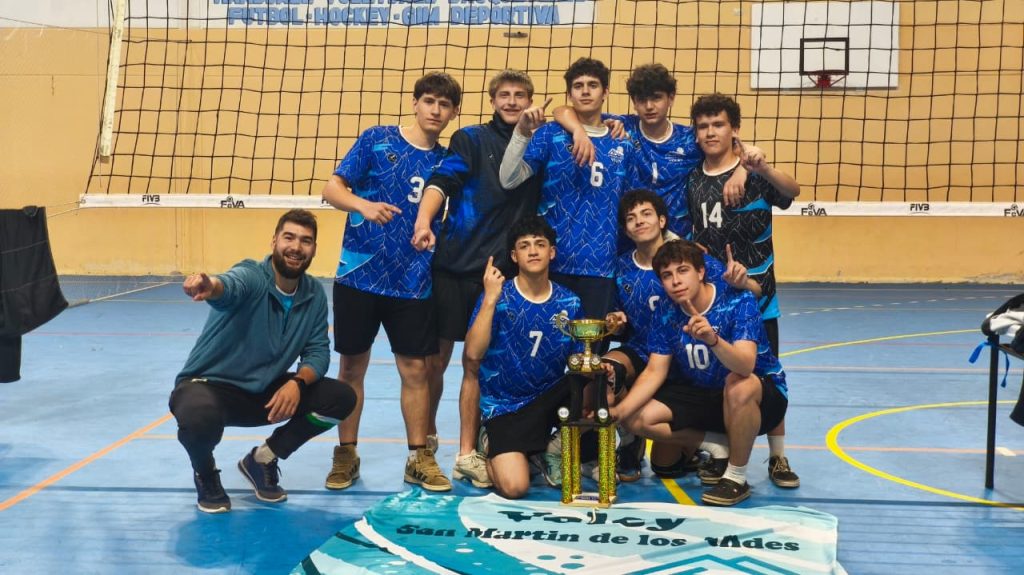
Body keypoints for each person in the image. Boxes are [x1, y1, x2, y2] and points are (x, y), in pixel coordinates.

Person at [320, 72, 461, 492]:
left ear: (454, 113)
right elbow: (332, 189)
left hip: (413, 280)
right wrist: (362, 205)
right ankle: (346, 454)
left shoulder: (447, 160)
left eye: (444, 105)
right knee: (351, 368)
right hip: (359, 275)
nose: (435, 110)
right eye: (429, 101)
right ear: (415, 103)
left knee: (416, 369)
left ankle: (419, 457)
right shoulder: (377, 139)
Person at [169, 209, 356, 514]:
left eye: (305, 241)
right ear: (274, 242)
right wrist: (211, 286)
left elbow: (318, 352)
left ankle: (263, 458)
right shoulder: (253, 276)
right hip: (209, 388)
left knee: (341, 397)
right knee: (197, 418)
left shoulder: (313, 295)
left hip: (264, 395)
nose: (296, 247)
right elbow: (229, 286)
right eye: (289, 237)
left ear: (314, 250)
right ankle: (205, 473)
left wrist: (297, 383)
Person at [410, 70, 543, 489]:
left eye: (519, 95)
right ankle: (425, 445)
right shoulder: (469, 138)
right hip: (456, 266)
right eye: (504, 95)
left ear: (530, 101)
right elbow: (441, 182)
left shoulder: (540, 141)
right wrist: (423, 220)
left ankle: (475, 448)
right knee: (436, 362)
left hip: (503, 273)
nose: (512, 101)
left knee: (485, 363)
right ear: (492, 101)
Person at [610, 240, 789, 506]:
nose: (676, 281)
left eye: (683, 271)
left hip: (761, 398)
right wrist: (618, 414)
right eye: (667, 275)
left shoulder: (737, 300)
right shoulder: (666, 311)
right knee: (636, 418)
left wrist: (713, 340)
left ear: (701, 272)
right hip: (704, 393)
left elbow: (745, 366)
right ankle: (718, 446)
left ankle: (736, 478)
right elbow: (655, 371)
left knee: (739, 384)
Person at [686, 93, 802, 488]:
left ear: (734, 129)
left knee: (768, 376)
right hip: (718, 302)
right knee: (725, 379)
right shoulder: (693, 178)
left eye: (718, 124)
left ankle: (779, 457)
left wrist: (759, 167)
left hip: (758, 297)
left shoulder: (753, 170)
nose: (710, 132)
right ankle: (724, 454)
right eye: (703, 126)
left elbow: (792, 191)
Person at [603, 189, 753, 482]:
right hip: (645, 351)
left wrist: (744, 282)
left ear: (662, 221)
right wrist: (615, 320)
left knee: (665, 467)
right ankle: (629, 443)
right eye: (631, 218)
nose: (639, 221)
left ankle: (710, 440)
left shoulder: (687, 256)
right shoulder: (621, 267)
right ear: (625, 230)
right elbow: (617, 314)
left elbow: (741, 292)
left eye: (646, 214)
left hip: (686, 356)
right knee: (606, 372)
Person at [499, 57, 639, 323]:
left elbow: (631, 206)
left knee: (590, 347)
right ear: (569, 94)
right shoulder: (550, 134)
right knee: (550, 343)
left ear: (605, 92)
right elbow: (509, 180)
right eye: (578, 86)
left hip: (600, 266)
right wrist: (521, 132)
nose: (585, 91)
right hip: (551, 262)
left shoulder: (623, 142)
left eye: (593, 85)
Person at [552, 63, 748, 240]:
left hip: (676, 242)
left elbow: (737, 148)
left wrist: (742, 170)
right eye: (642, 99)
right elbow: (561, 111)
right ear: (634, 102)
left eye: (656, 98)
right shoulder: (622, 126)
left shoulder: (690, 138)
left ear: (671, 98)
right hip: (631, 239)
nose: (649, 106)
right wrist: (578, 130)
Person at [463, 215, 583, 499]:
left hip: (547, 401)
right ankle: (488, 442)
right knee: (515, 487)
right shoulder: (499, 296)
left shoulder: (570, 302)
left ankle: (551, 449)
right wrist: (490, 299)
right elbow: (473, 354)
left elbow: (578, 361)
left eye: (540, 244)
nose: (533, 251)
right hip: (505, 407)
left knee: (602, 386)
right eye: (524, 245)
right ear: (514, 256)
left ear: (552, 252)